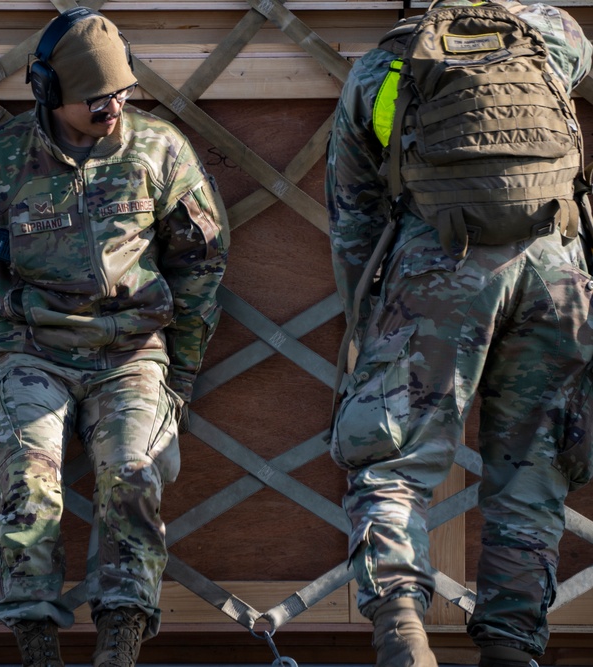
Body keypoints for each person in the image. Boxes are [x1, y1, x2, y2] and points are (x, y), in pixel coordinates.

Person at [0, 7, 229, 666]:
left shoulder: (159, 150)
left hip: (131, 351)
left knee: (131, 474)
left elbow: (202, 262)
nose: (111, 108)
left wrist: (181, 373)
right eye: (94, 100)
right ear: (48, 93)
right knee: (29, 482)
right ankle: (36, 639)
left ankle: (121, 637)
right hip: (30, 346)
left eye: (120, 93)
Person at [326, 1, 593, 665]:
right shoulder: (553, 34)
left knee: (391, 461)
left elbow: (354, 217)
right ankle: (510, 646)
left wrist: (370, 321)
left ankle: (400, 630)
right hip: (553, 268)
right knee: (534, 467)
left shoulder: (379, 69)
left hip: (437, 267)